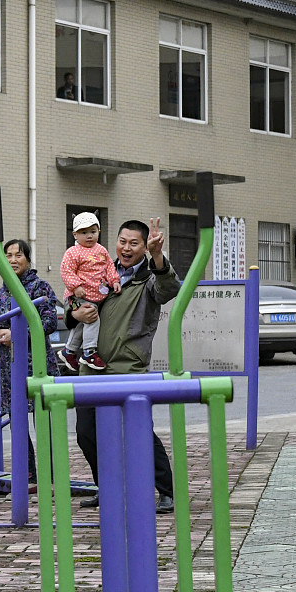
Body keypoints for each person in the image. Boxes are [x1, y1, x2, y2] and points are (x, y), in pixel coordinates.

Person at [69, 218, 178, 513]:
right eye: (122, 241)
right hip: (91, 367)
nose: (126, 248)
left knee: (137, 431)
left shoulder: (148, 278)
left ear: (144, 247)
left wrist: (158, 257)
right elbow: (73, 302)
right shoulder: (100, 268)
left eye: (134, 243)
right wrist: (75, 314)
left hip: (127, 366)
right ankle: (108, 488)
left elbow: (169, 290)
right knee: (87, 433)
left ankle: (166, 490)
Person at [0, 239, 61, 488]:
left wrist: (17, 335)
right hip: (9, 367)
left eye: (18, 255)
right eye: (8, 255)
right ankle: (27, 474)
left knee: (44, 422)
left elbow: (49, 322)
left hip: (37, 363)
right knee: (16, 421)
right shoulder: (0, 294)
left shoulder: (40, 288)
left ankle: (50, 475)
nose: (13, 260)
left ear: (28, 259)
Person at [58, 212, 120, 371]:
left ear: (99, 232)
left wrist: (115, 281)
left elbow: (109, 268)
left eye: (93, 232)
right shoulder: (73, 252)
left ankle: (69, 351)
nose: (89, 236)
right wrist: (76, 286)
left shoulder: (102, 250)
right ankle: (89, 352)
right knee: (92, 318)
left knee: (83, 323)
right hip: (77, 296)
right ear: (75, 235)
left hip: (96, 296)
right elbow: (66, 271)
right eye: (83, 233)